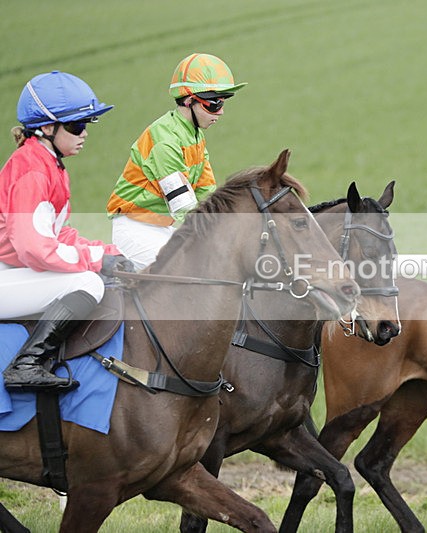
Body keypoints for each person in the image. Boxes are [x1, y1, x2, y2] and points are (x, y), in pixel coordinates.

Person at [0, 71, 133, 392]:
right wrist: (94, 261)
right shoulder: (33, 170)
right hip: (7, 273)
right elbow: (36, 248)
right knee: (86, 281)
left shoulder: (48, 164)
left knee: (95, 275)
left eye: (87, 124)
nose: (84, 133)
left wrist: (106, 252)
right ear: (46, 128)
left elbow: (57, 236)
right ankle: (26, 364)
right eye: (76, 126)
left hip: (13, 269)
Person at [106, 53, 247, 270]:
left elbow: (206, 195)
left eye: (223, 103)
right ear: (190, 100)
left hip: (163, 226)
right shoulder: (166, 141)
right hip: (136, 228)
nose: (221, 112)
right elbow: (183, 206)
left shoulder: (194, 136)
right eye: (214, 104)